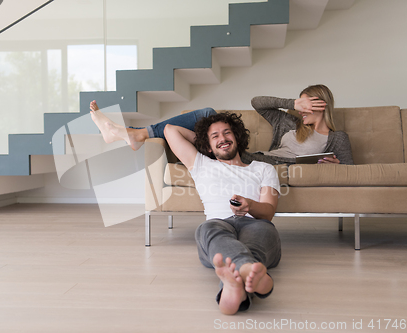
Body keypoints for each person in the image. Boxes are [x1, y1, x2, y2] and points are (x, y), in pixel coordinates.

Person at [163, 112, 282, 315]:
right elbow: (169, 130)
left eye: (227, 134)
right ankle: (252, 276)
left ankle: (233, 288)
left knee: (262, 233)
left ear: (237, 137)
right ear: (207, 146)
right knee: (207, 229)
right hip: (218, 224)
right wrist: (204, 141)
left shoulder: (263, 168)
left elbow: (268, 212)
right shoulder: (201, 164)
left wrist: (250, 206)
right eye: (215, 136)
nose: (223, 139)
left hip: (256, 223)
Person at [89, 84, 354, 164]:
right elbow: (257, 100)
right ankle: (136, 134)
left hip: (256, 165)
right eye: (302, 104)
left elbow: (352, 172)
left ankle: (133, 134)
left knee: (195, 122)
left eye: (309, 104)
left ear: (323, 105)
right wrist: (292, 103)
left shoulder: (337, 138)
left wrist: (335, 167)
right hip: (251, 158)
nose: (303, 109)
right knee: (206, 113)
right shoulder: (288, 121)